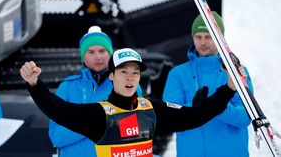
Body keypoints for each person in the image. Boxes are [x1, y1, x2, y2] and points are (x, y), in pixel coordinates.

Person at [20, 48, 242, 157]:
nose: (129, 77)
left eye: (135, 72)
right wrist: (34, 84)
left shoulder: (151, 109)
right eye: (123, 71)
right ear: (112, 76)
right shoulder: (100, 115)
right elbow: (60, 111)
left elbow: (196, 116)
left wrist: (228, 89)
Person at [163, 11, 253, 157]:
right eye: (198, 37)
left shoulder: (235, 72)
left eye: (208, 37)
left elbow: (245, 118)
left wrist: (217, 106)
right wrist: (197, 107)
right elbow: (170, 118)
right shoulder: (177, 74)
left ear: (220, 38)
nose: (203, 42)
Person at [48, 26, 142, 157]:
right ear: (83, 57)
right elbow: (57, 137)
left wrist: (77, 122)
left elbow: (129, 132)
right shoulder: (68, 87)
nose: (98, 57)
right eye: (91, 52)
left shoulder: (128, 85)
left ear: (110, 54)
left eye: (102, 51)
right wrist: (99, 120)